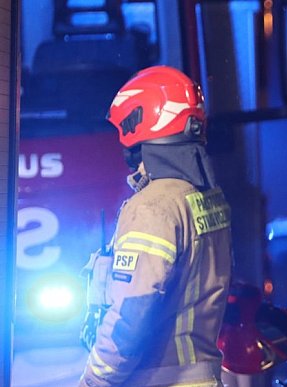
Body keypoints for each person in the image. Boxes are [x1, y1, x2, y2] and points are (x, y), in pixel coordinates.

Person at [79, 65, 233, 386]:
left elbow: (131, 316)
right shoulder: (206, 197)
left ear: (137, 122)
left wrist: (95, 379)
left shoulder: (153, 206)